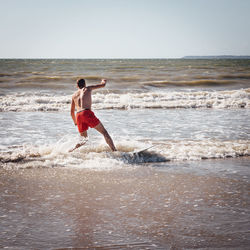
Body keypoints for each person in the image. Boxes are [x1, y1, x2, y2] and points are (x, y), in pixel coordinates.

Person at [70, 78, 117, 152]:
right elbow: (103, 85)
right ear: (85, 84)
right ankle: (115, 151)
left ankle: (71, 150)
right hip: (86, 112)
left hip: (78, 115)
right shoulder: (87, 88)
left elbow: (72, 111)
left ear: (77, 85)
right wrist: (103, 81)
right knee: (104, 133)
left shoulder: (74, 95)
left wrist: (75, 122)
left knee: (84, 139)